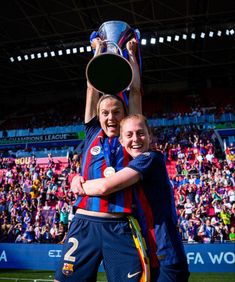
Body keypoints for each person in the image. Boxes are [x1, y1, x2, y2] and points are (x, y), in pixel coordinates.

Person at [55, 35, 145, 282]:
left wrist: (133, 57)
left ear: (125, 115)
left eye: (117, 112)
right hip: (84, 223)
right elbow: (91, 87)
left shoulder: (131, 135)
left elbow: (135, 90)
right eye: (105, 113)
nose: (110, 117)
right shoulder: (93, 131)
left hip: (120, 226)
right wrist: (99, 50)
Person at [79, 114, 190, 282]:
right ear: (122, 142)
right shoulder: (130, 166)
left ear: (150, 136)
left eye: (141, 133)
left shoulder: (150, 158)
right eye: (129, 135)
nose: (136, 139)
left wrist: (77, 185)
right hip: (147, 253)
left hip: (165, 254)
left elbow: (105, 187)